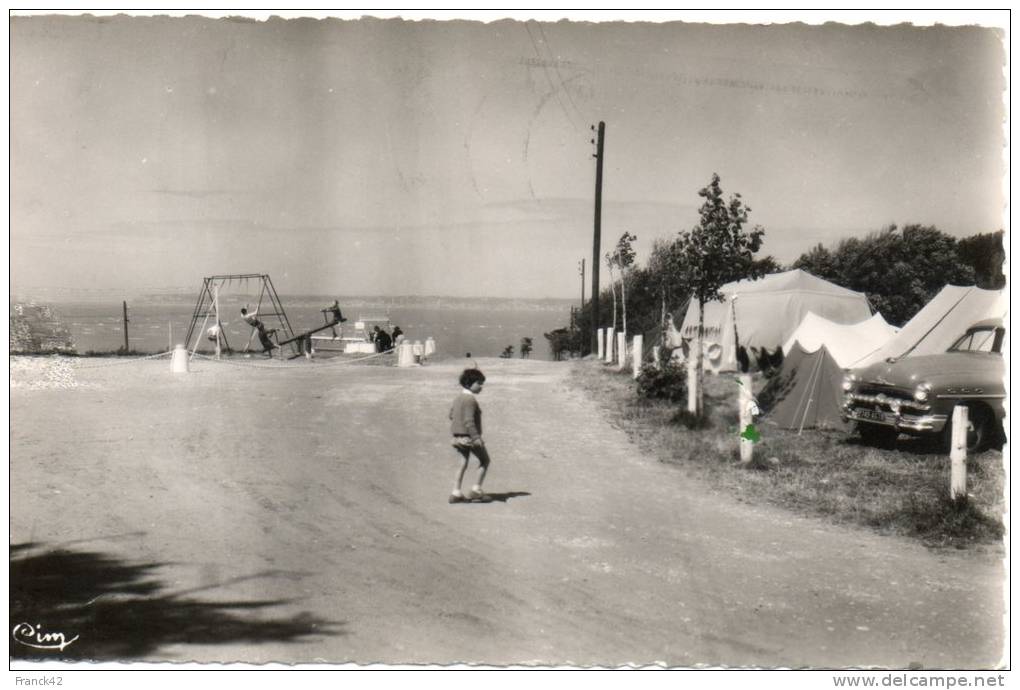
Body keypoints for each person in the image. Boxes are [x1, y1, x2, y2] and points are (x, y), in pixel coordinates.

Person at [448, 368, 492, 504]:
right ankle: (476, 490)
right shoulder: (470, 400)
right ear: (469, 383)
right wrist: (476, 437)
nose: (481, 387)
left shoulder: (458, 398)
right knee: (485, 460)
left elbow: (451, 415)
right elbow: (469, 421)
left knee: (462, 463)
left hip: (457, 437)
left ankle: (456, 492)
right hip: (469, 437)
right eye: (479, 383)